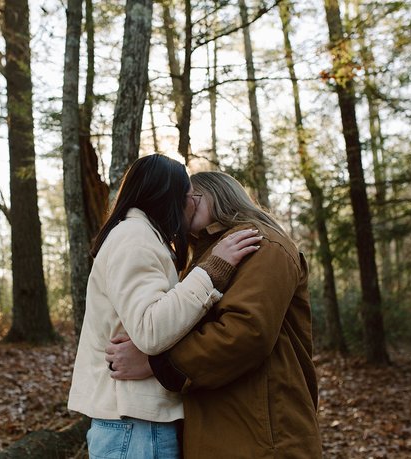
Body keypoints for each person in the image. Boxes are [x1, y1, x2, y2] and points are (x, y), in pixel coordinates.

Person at [106, 171, 322, 458]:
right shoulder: (207, 258)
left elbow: (245, 333)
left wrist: (158, 364)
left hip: (263, 437)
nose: (182, 206)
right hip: (223, 429)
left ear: (219, 194)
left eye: (190, 197)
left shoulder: (262, 244)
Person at [67, 156, 262, 458]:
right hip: (136, 426)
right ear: (169, 196)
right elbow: (151, 330)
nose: (191, 204)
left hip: (136, 423)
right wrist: (212, 271)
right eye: (187, 196)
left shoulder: (142, 238)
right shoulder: (135, 238)